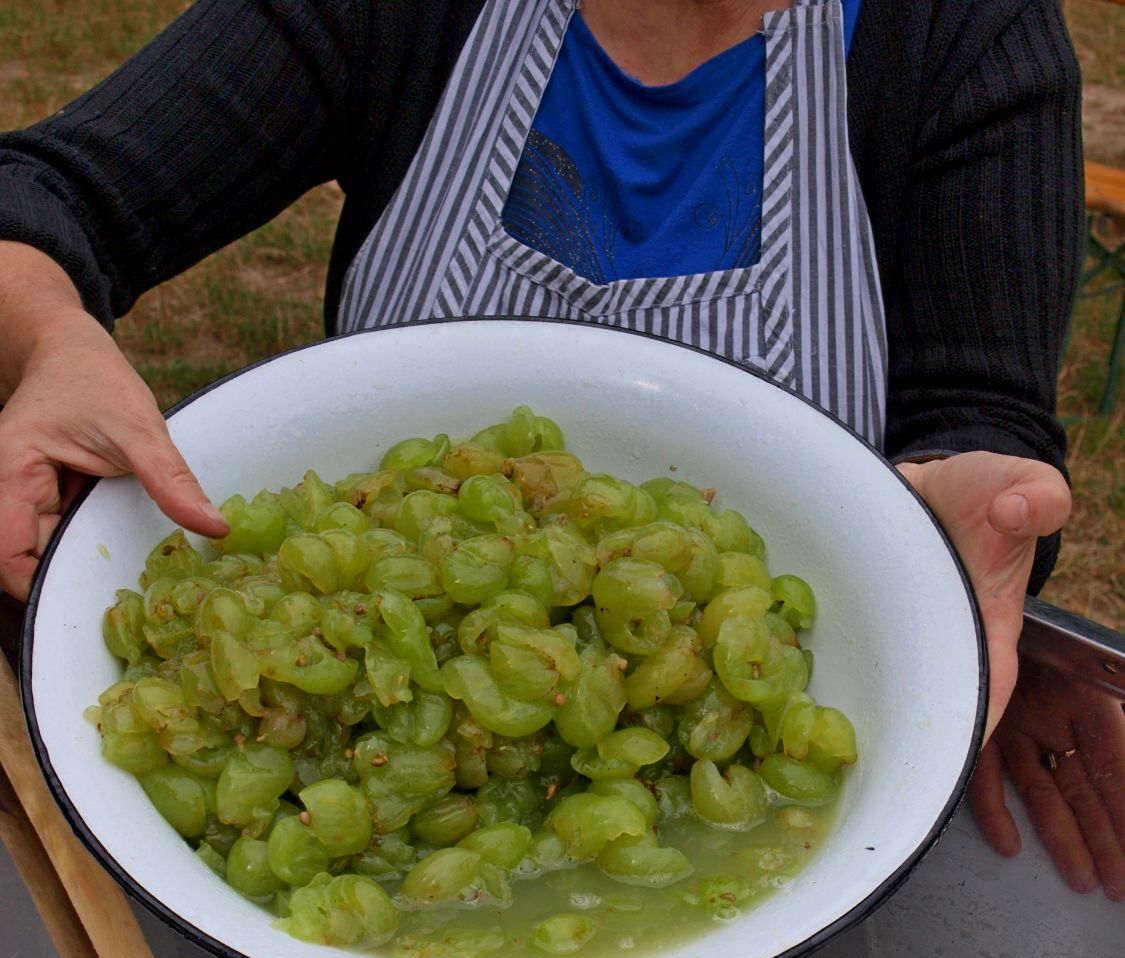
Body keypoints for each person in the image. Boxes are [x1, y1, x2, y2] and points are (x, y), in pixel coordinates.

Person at [0, 0, 1103, 876]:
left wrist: (973, 532)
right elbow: (43, 196)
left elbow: (979, 423)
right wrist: (51, 335)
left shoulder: (966, 29)